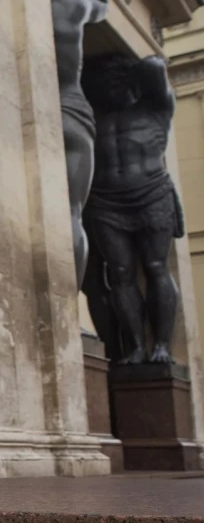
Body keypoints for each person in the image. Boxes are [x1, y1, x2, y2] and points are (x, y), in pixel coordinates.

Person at [82, 53, 183, 364]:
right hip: (105, 202)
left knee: (155, 267)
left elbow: (155, 67)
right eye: (104, 81)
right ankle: (137, 348)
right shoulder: (94, 117)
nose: (110, 86)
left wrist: (140, 67)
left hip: (151, 194)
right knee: (121, 273)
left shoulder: (156, 108)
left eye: (116, 79)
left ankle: (162, 346)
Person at [47, 0, 110, 287]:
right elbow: (102, 3)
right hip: (70, 109)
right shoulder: (69, 4)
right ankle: (67, 309)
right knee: (71, 213)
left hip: (26, 111)